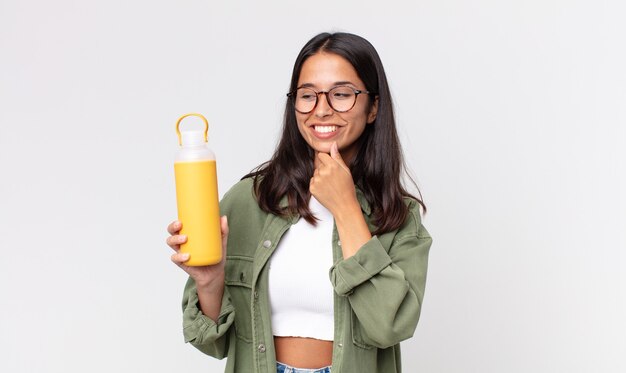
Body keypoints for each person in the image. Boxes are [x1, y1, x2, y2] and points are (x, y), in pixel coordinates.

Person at [166, 31, 432, 373]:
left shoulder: (399, 217)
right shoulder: (250, 199)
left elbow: (389, 326)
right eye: (308, 95)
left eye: (341, 94)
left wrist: (346, 207)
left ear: (373, 107)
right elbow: (211, 342)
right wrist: (209, 282)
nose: (321, 110)